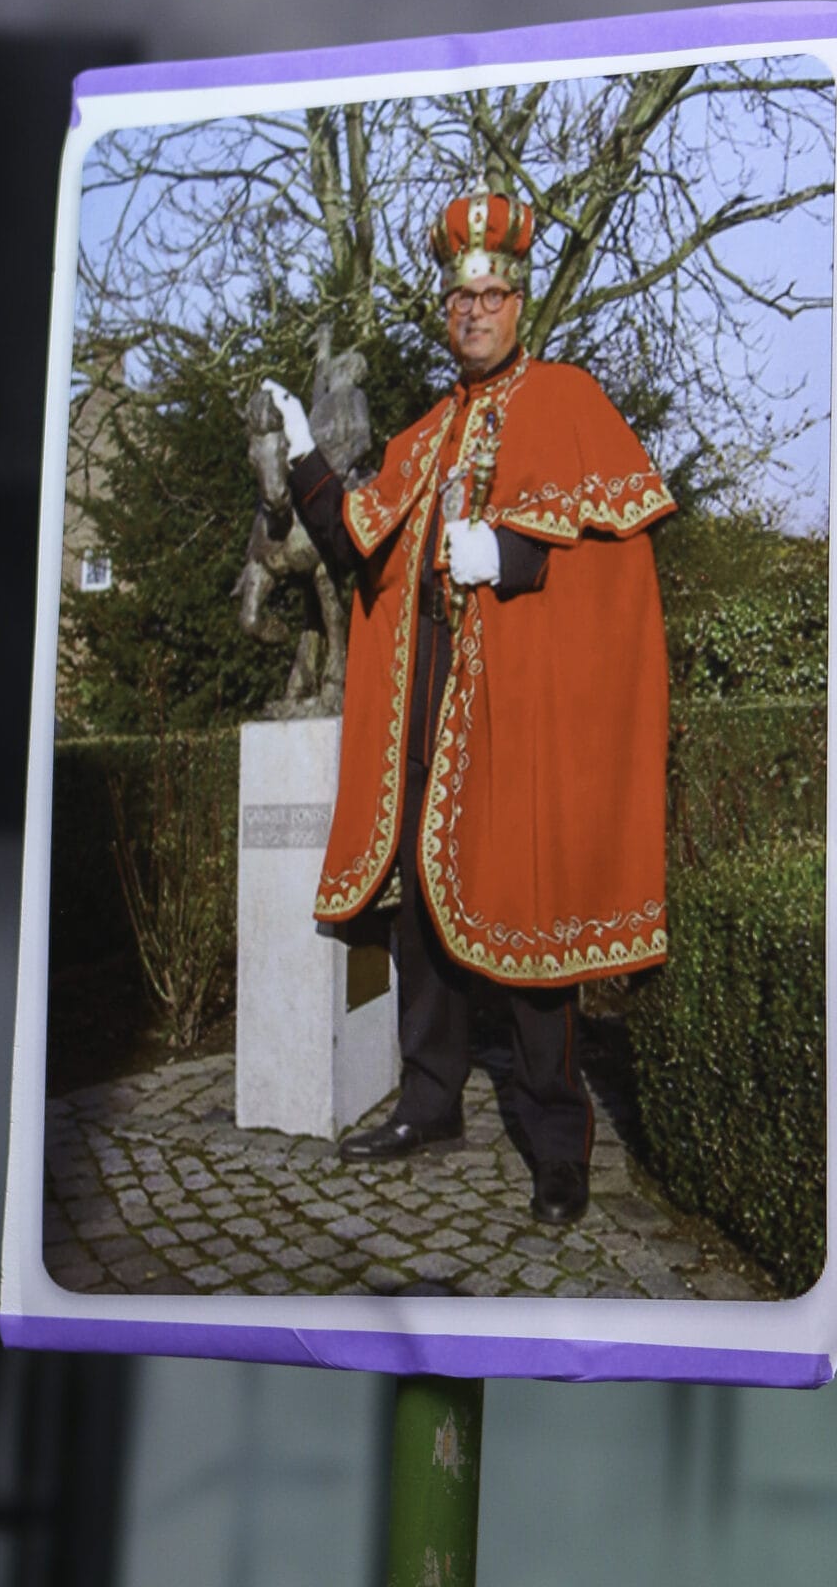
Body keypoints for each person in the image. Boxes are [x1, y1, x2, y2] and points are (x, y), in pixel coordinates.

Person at [263, 183, 675, 1224]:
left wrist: (511, 552)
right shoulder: (428, 430)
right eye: (460, 300)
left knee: (527, 906)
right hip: (425, 692)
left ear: (518, 304)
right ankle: (429, 1101)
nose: (475, 312)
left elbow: (612, 540)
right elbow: (354, 540)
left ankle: (556, 1143)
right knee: (420, 907)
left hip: (515, 697)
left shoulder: (566, 398)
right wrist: (304, 459)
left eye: (491, 297)